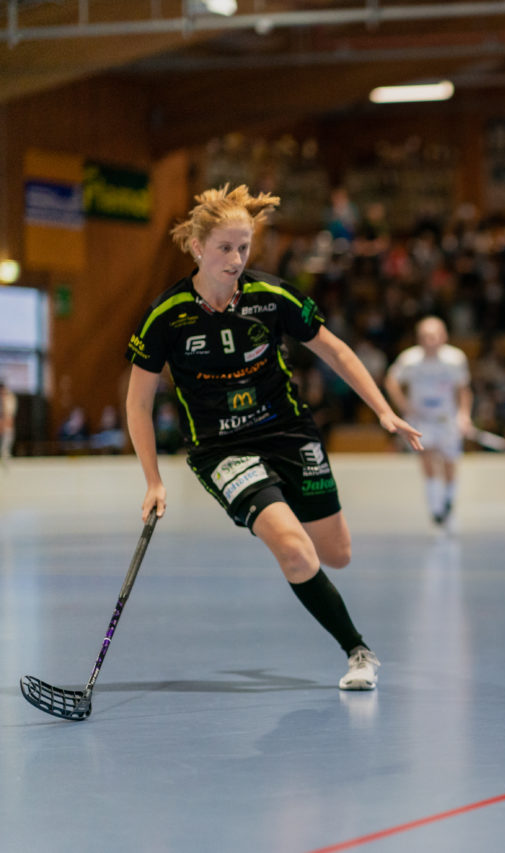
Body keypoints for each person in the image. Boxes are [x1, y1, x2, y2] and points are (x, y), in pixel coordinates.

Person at [125, 185, 422, 691]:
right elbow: (138, 403)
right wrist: (152, 479)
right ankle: (359, 651)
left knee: (337, 554)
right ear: (197, 247)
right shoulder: (166, 317)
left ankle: (297, 542)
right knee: (295, 551)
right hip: (221, 449)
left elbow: (337, 352)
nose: (236, 258)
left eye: (244, 247)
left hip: (287, 431)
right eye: (224, 247)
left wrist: (384, 410)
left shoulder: (272, 297)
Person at [384, 316, 474, 532]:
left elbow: (463, 389)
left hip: (446, 419)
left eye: (434, 336)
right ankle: (435, 510)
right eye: (425, 336)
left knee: (450, 463)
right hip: (421, 420)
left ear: (443, 337)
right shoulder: (409, 359)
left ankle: (448, 506)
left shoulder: (455, 359)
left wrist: (464, 415)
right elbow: (391, 381)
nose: (430, 340)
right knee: (426, 458)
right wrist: (404, 406)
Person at [0, 380, 15, 465]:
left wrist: (5, 423)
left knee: (8, 436)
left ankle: (6, 457)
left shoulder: (10, 398)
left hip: (6, 424)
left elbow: (10, 416)